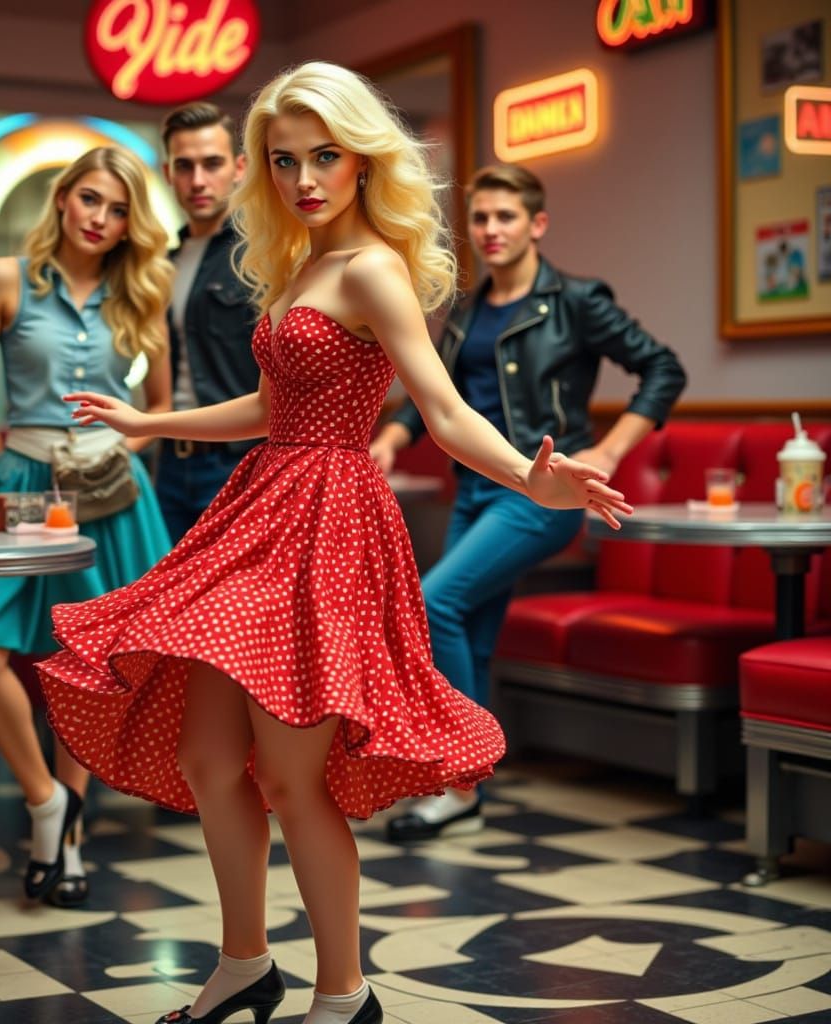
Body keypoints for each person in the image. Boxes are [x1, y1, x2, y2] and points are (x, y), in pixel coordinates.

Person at [37, 63, 631, 1024]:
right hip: (263, 507)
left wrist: (531, 474)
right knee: (205, 756)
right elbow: (278, 406)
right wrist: (153, 425)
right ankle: (243, 964)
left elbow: (439, 410)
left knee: (287, 775)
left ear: (363, 158)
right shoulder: (304, 263)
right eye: (283, 160)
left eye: (326, 156)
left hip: (330, 525)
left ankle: (344, 993)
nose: (305, 177)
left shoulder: (372, 268)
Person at [370, 163, 687, 842]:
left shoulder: (575, 300)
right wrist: (392, 439)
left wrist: (608, 451)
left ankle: (455, 779)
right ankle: (469, 786)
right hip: (479, 486)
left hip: (543, 491)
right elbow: (435, 397)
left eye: (505, 217)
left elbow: (663, 367)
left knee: (437, 602)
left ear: (536, 224)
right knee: (472, 633)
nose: (490, 230)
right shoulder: (462, 313)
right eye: (480, 218)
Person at [0, 146, 174, 907]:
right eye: (91, 199)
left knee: (88, 662)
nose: (101, 218)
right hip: (25, 478)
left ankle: (64, 842)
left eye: (120, 208)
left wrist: (111, 454)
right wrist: (14, 463)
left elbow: (157, 407)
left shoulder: (144, 293)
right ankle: (46, 800)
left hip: (110, 490)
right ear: (63, 199)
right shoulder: (6, 278)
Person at [149, 101, 260, 541]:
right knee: (167, 599)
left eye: (211, 164)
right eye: (185, 166)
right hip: (170, 463)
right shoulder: (162, 265)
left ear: (238, 168)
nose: (198, 180)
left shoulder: (259, 257)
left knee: (224, 605)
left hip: (235, 461)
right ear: (167, 172)